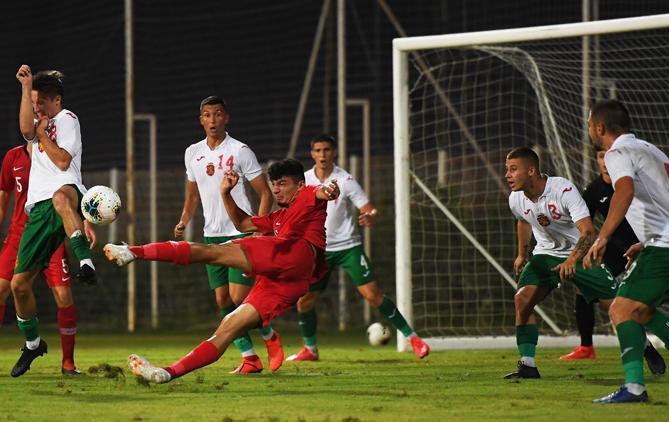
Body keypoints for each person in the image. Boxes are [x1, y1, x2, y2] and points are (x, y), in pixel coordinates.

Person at [103, 159, 339, 383]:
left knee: (212, 252)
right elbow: (242, 224)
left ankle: (134, 251)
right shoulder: (278, 217)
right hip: (289, 282)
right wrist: (225, 193)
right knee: (228, 328)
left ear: (299, 184)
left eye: (283, 183)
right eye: (274, 184)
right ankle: (167, 373)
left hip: (295, 253)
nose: (276, 190)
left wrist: (330, 189)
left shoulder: (308, 194)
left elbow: (324, 192)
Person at [584, 99, 669, 403]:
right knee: (642, 311)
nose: (590, 129)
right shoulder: (650, 149)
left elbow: (625, 192)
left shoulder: (616, 153)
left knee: (619, 308)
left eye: (590, 125)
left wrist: (602, 237)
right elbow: (667, 199)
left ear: (600, 127)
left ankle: (634, 388)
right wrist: (645, 241)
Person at [286, 135, 429, 362]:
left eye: (327, 150)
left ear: (334, 153)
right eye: (318, 151)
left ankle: (413, 339)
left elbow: (369, 208)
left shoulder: (345, 180)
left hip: (348, 247)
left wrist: (369, 217)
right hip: (318, 250)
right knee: (304, 300)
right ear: (312, 154)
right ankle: (310, 349)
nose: (322, 155)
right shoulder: (304, 180)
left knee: (372, 295)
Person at [561, 150, 669, 363]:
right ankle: (586, 346)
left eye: (607, 156)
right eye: (600, 156)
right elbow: (587, 225)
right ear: (596, 159)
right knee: (585, 285)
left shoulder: (631, 184)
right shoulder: (593, 190)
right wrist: (588, 248)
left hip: (643, 245)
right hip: (615, 249)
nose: (605, 162)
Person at [175, 96, 276, 374]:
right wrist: (184, 219)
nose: (212, 120)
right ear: (201, 120)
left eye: (218, 114)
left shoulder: (241, 151)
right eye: (207, 115)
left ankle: (268, 333)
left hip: (239, 233)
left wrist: (260, 229)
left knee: (239, 298)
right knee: (222, 300)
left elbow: (265, 193)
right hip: (212, 235)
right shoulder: (192, 152)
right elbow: (193, 195)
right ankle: (249, 358)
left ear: (226, 118)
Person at [503, 146, 620, 379]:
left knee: (617, 306)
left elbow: (588, 231)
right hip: (544, 255)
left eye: (513, 169)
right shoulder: (515, 198)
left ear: (532, 171)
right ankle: (527, 365)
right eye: (507, 169)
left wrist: (572, 259)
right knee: (521, 300)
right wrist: (521, 254)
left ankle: (644, 347)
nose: (507, 175)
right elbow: (523, 221)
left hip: (580, 252)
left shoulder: (563, 189)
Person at [9, 65, 96, 377]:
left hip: (68, 192)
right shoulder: (35, 124)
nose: (36, 109)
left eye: (40, 103)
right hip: (39, 211)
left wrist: (44, 133)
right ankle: (33, 345)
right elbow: (24, 130)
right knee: (19, 286)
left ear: (55, 101)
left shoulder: (67, 119)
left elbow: (62, 161)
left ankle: (85, 262)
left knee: (61, 197)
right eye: (33, 104)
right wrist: (25, 88)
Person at [0, 142, 79, 376]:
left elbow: (72, 192)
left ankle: (68, 362)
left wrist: (84, 225)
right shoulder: (13, 156)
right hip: (17, 235)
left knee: (63, 294)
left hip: (49, 235)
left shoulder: (57, 157)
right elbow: (4, 194)